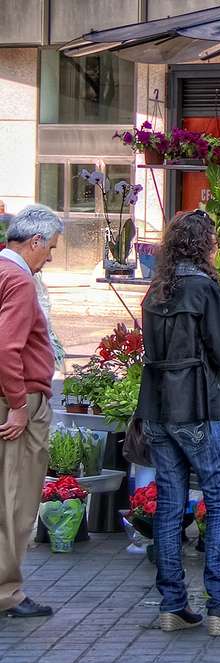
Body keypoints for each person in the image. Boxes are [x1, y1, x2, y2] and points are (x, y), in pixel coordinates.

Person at [136, 210, 220, 636]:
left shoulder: (156, 291)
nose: (219, 249)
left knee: (170, 503)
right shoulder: (204, 289)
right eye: (214, 242)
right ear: (203, 247)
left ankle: (172, 605)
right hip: (198, 406)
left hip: (157, 408)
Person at [0, 204, 63, 619]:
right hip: (18, 400)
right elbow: (7, 348)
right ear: (34, 241)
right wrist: (20, 406)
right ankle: (8, 592)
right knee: (16, 501)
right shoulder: (19, 280)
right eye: (51, 248)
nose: (51, 257)